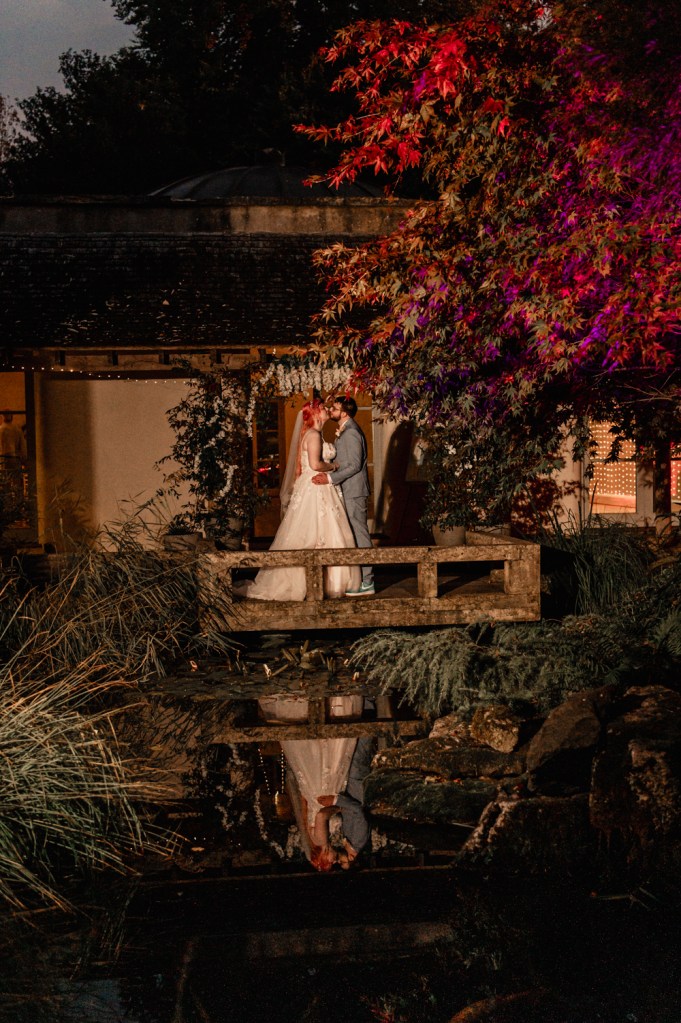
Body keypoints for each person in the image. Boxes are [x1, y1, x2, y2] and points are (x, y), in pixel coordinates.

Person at [235, 398, 361, 600]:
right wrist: (334, 467)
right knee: (311, 532)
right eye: (322, 408)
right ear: (314, 414)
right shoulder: (313, 435)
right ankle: (309, 584)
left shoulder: (316, 434)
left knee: (327, 532)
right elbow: (316, 464)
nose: (326, 410)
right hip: (316, 488)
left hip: (320, 488)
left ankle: (329, 582)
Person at [311, 396, 374, 596]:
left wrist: (330, 478)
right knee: (353, 534)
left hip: (354, 491)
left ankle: (368, 581)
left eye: (335, 408)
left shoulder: (352, 433)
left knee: (360, 534)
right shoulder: (346, 431)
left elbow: (354, 465)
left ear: (344, 413)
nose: (330, 410)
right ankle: (359, 578)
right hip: (347, 489)